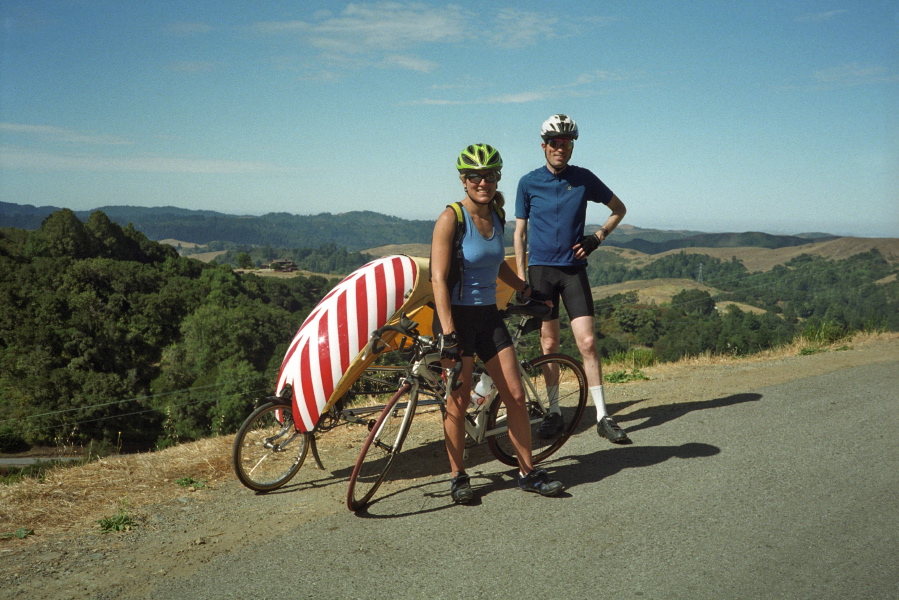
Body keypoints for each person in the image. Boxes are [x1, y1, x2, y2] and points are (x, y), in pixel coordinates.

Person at [431, 143, 564, 504]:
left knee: (516, 395)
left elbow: (497, 263)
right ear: (463, 179)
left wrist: (524, 288)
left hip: (489, 316)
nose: (482, 182)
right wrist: (448, 333)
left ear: (496, 178)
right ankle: (458, 476)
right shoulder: (451, 218)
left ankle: (527, 471)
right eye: (475, 176)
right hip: (456, 319)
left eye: (489, 175)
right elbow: (438, 279)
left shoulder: (497, 217)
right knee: (457, 402)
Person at [514, 114, 631, 444]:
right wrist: (523, 280)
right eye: (554, 143)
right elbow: (520, 233)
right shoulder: (528, 182)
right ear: (544, 146)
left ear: (572, 146)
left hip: (573, 271)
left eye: (566, 143)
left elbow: (619, 209)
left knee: (588, 343)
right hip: (540, 273)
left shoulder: (583, 179)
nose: (560, 148)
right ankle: (554, 412)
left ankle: (603, 416)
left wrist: (597, 238)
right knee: (549, 344)